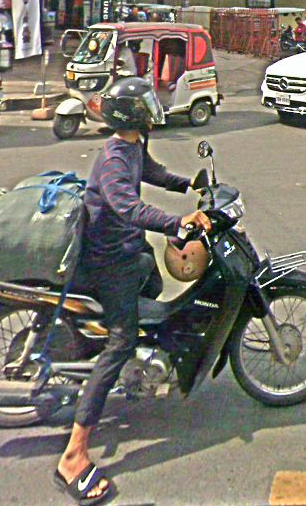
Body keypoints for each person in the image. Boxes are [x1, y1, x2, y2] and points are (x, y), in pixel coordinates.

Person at [54, 76, 211, 505]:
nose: (152, 111)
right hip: (109, 261)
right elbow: (127, 205)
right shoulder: (113, 159)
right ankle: (74, 455)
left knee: (152, 277)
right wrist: (177, 222)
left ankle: (144, 357)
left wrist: (190, 185)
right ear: (133, 115)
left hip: (127, 250)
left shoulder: (133, 146)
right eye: (146, 106)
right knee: (121, 341)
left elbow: (153, 172)